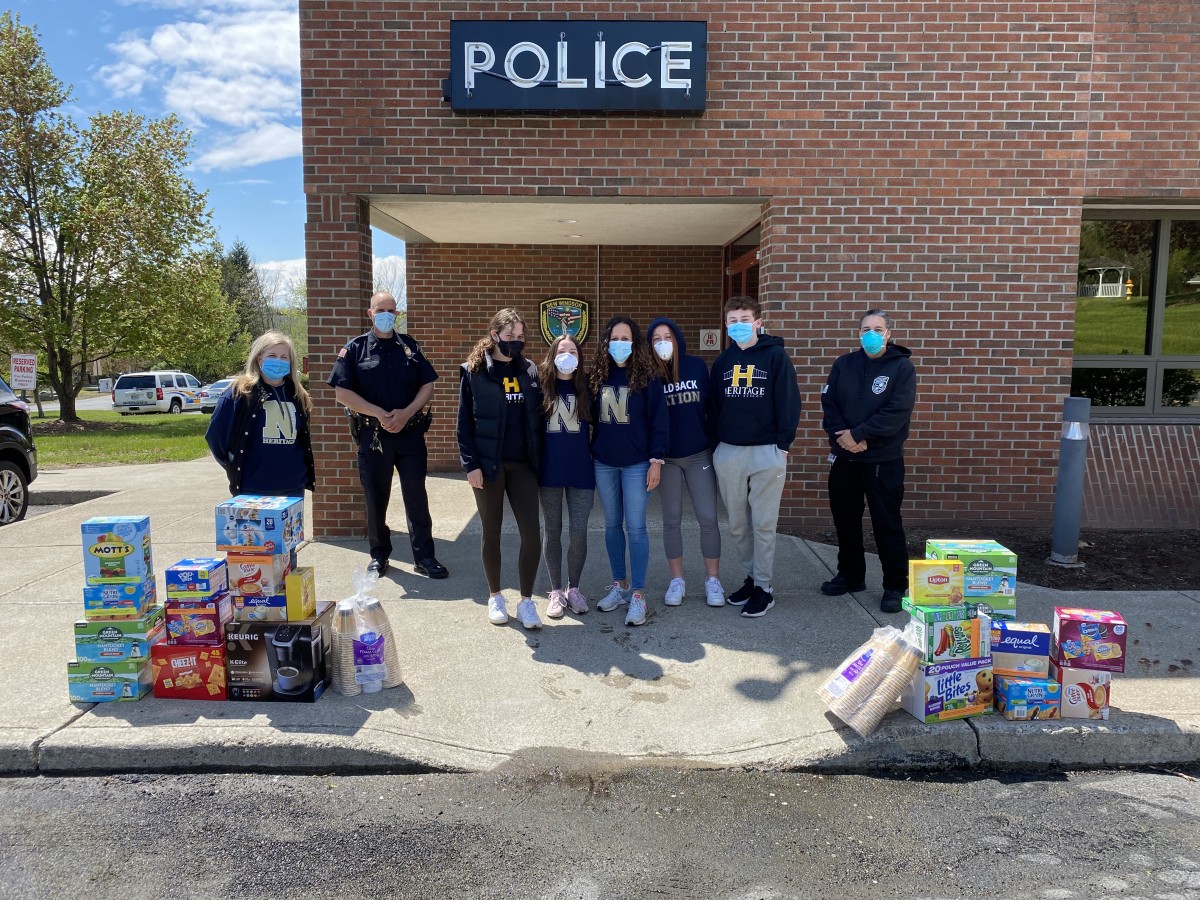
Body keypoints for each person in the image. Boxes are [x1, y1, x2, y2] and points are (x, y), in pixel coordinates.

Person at [329, 291, 448, 580]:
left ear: (397, 314)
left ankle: (425, 557)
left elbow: (428, 386)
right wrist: (378, 413)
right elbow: (342, 393)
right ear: (370, 314)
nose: (386, 314)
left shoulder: (409, 347)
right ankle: (379, 556)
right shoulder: (355, 349)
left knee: (416, 498)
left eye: (391, 310)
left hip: (409, 435)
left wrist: (406, 413)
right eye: (380, 310)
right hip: (374, 436)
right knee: (376, 498)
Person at [819, 309, 917, 614]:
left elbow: (897, 412)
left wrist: (860, 434)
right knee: (845, 521)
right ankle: (851, 575)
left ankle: (895, 586)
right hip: (844, 458)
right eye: (865, 329)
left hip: (882, 460)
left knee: (886, 524)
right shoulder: (844, 364)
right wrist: (844, 438)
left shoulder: (901, 368)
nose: (871, 334)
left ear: (888, 334)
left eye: (877, 328)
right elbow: (829, 403)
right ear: (858, 333)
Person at [710, 296, 802, 619]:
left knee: (764, 524)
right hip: (730, 452)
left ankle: (764, 587)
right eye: (732, 320)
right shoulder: (723, 362)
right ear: (726, 324)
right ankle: (751, 578)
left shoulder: (776, 357)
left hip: (767, 452)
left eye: (745, 318)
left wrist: (783, 445)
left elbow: (789, 401)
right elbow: (714, 408)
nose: (738, 325)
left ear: (758, 322)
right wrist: (717, 446)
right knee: (737, 524)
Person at [456, 308, 545, 629]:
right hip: (488, 466)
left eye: (521, 337)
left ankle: (526, 601)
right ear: (494, 336)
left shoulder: (530, 371)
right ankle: (495, 596)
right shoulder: (473, 371)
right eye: (510, 337)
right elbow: (463, 425)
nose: (516, 342)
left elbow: (538, 420)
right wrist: (470, 466)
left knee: (532, 534)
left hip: (524, 466)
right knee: (490, 532)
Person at [589, 316, 669, 627]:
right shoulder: (597, 377)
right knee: (611, 525)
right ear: (606, 342)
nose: (619, 344)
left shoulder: (648, 378)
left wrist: (656, 460)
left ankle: (638, 594)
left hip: (637, 463)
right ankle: (619, 586)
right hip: (604, 462)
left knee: (636, 527)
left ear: (634, 343)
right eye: (614, 338)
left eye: (625, 339)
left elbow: (659, 422)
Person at [646, 317, 725, 607]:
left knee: (707, 518)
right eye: (656, 339)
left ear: (677, 338)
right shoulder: (649, 374)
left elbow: (712, 409)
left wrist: (714, 445)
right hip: (666, 459)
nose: (663, 343)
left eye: (667, 336)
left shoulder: (696, 366)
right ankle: (676, 580)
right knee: (671, 521)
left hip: (698, 454)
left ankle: (713, 580)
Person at [206, 331, 314, 497]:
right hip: (252, 489)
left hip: (293, 488)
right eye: (272, 355)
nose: (278, 361)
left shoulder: (298, 395)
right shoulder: (240, 393)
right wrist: (234, 465)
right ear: (259, 358)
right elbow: (216, 437)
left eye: (284, 357)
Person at [537, 335, 595, 619]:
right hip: (549, 470)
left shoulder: (587, 386)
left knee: (579, 532)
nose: (568, 355)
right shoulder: (541, 385)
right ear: (553, 354)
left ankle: (574, 588)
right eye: (562, 350)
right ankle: (556, 590)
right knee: (553, 531)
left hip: (581, 470)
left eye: (573, 351)